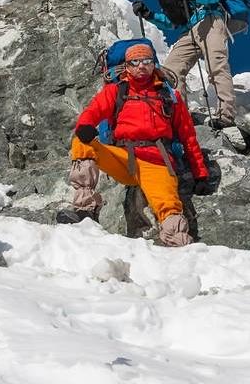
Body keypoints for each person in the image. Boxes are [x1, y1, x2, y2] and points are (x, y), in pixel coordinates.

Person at [61, 43, 212, 247]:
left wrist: (200, 174)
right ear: (127, 66)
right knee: (82, 141)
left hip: (157, 162)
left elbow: (188, 136)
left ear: (153, 64)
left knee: (169, 207)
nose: (141, 66)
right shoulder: (116, 90)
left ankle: (180, 247)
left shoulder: (170, 96)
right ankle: (84, 210)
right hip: (124, 158)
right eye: (135, 62)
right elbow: (93, 111)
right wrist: (85, 126)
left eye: (147, 61)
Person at [132, 0, 242, 143]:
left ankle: (226, 117)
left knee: (216, 65)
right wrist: (149, 15)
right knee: (170, 72)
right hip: (189, 29)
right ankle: (179, 119)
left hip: (210, 18)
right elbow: (173, 22)